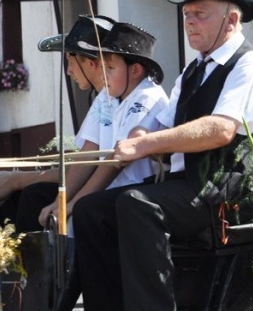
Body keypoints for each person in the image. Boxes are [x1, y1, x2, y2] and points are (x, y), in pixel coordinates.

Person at [72, 0, 253, 311]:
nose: (189, 22)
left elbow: (220, 129)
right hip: (188, 187)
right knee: (91, 209)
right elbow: (158, 122)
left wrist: (145, 143)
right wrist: (134, 135)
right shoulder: (191, 71)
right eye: (187, 15)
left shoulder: (250, 65)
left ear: (231, 20)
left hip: (226, 190)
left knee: (137, 202)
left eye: (200, 14)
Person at [0, 15, 116, 232]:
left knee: (35, 195)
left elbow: (90, 164)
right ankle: (4, 262)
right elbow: (84, 162)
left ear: (92, 62)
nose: (69, 71)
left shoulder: (125, 98)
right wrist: (13, 181)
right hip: (95, 189)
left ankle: (36, 265)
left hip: (110, 193)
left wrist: (15, 180)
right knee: (17, 198)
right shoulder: (103, 100)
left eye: (71, 61)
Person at [36, 22, 169, 226]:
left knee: (85, 210)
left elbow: (115, 162)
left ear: (135, 70)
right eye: (102, 67)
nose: (103, 74)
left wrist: (72, 205)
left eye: (111, 68)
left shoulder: (148, 96)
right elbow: (90, 151)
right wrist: (60, 201)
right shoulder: (108, 94)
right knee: (35, 196)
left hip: (135, 192)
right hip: (108, 191)